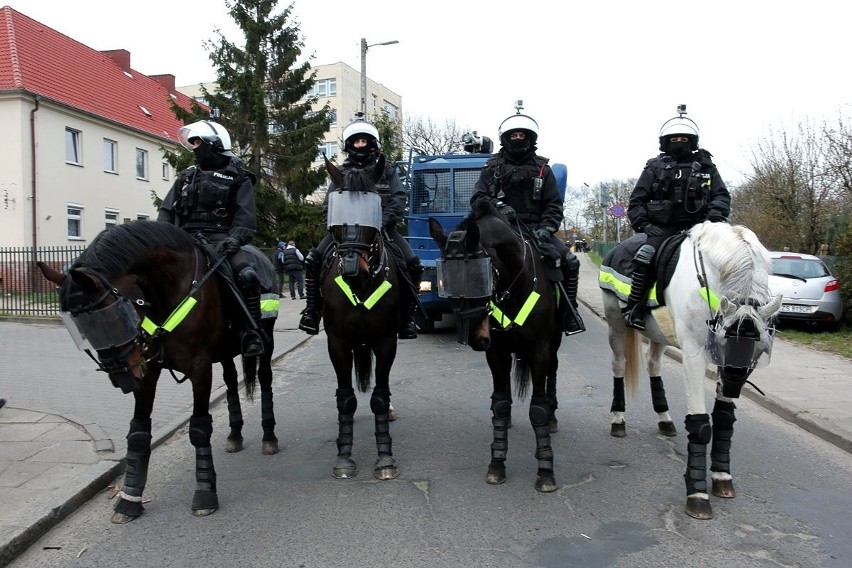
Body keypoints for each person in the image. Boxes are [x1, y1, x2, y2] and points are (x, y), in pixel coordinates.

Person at [299, 118, 423, 339]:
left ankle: (408, 317)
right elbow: (329, 205)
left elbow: (398, 198)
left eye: (364, 141)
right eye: (356, 142)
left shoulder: (387, 171)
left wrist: (383, 220)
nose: (360, 145)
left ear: (372, 143)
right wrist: (336, 224)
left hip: (383, 229)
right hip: (345, 234)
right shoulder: (340, 173)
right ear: (349, 145)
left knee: (412, 263)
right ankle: (311, 312)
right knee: (313, 259)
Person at [470, 106, 584, 334]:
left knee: (569, 260)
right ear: (505, 138)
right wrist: (499, 208)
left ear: (530, 138)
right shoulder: (491, 167)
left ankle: (569, 313)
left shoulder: (543, 169)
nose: (518, 138)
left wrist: (547, 227)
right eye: (513, 135)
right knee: (472, 260)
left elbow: (553, 204)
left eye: (522, 135)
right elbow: (478, 199)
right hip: (499, 230)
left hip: (535, 229)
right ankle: (473, 315)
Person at [157, 119, 265, 357]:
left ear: (213, 144)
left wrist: (235, 240)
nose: (193, 147)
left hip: (221, 240)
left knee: (246, 276)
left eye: (197, 141)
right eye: (191, 142)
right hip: (184, 240)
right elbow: (166, 212)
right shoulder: (186, 177)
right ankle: (151, 334)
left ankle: (251, 332)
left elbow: (246, 218)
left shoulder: (238, 177)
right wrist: (161, 237)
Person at [624, 105, 731, 331]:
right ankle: (636, 307)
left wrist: (715, 214)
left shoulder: (706, 166)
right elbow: (636, 201)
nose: (679, 142)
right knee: (645, 255)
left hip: (702, 229)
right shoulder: (654, 168)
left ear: (692, 141)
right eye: (675, 138)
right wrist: (644, 224)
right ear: (665, 141)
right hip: (663, 229)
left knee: (730, 256)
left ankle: (735, 311)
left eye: (684, 138)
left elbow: (721, 195)